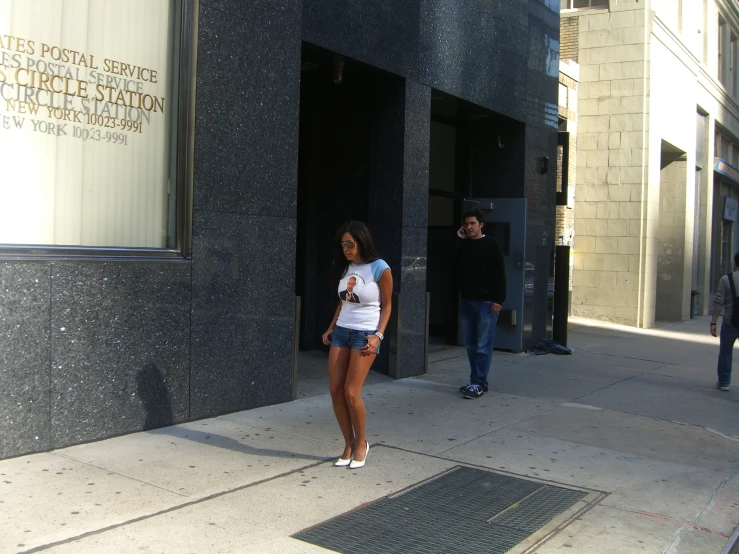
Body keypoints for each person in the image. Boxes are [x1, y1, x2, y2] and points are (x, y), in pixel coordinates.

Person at [321, 221, 392, 468]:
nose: (346, 249)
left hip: (365, 334)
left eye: (350, 244)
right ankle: (348, 444)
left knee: (351, 392)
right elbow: (343, 302)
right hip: (341, 332)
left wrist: (378, 335)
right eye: (343, 245)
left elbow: (388, 304)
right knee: (335, 390)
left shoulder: (379, 267)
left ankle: (361, 444)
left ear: (362, 242)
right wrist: (331, 327)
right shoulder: (345, 268)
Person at [454, 209, 506, 399]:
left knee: (483, 344)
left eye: (472, 223)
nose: (469, 227)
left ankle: (478, 383)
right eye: (466, 224)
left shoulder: (490, 245)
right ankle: (476, 381)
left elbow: (499, 273)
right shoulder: (464, 246)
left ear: (481, 224)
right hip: (467, 301)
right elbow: (454, 264)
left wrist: (498, 299)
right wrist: (459, 241)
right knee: (470, 344)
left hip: (486, 303)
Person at [710, 251, 739, 391]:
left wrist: (713, 322)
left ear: (735, 262)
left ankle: (724, 382)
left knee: (726, 352)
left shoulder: (726, 279)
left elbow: (718, 301)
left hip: (729, 322)